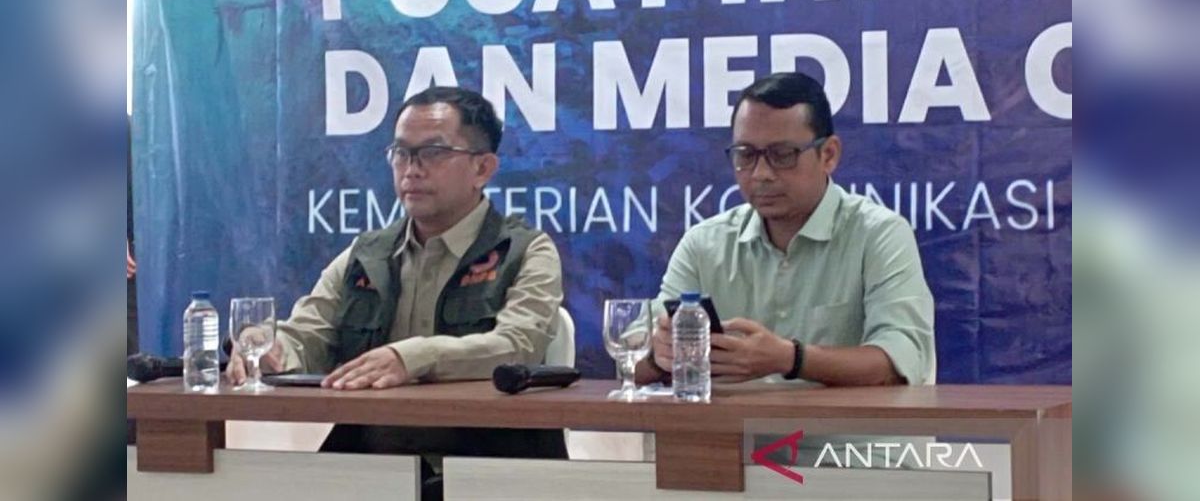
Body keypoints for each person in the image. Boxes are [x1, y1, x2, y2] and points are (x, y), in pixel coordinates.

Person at [226, 86, 567, 496]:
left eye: (433, 153)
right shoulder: (367, 253)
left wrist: (413, 359)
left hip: (491, 470)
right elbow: (308, 334)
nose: (412, 170)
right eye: (401, 154)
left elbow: (518, 346)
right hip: (372, 466)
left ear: (483, 168)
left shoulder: (526, 250)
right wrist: (268, 347)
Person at [635, 72, 935, 388]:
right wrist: (659, 357)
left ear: (829, 155)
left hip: (842, 423)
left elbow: (900, 362)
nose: (761, 174)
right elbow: (630, 359)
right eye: (745, 155)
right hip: (732, 422)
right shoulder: (704, 245)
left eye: (782, 155)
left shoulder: (879, 235)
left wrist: (790, 359)